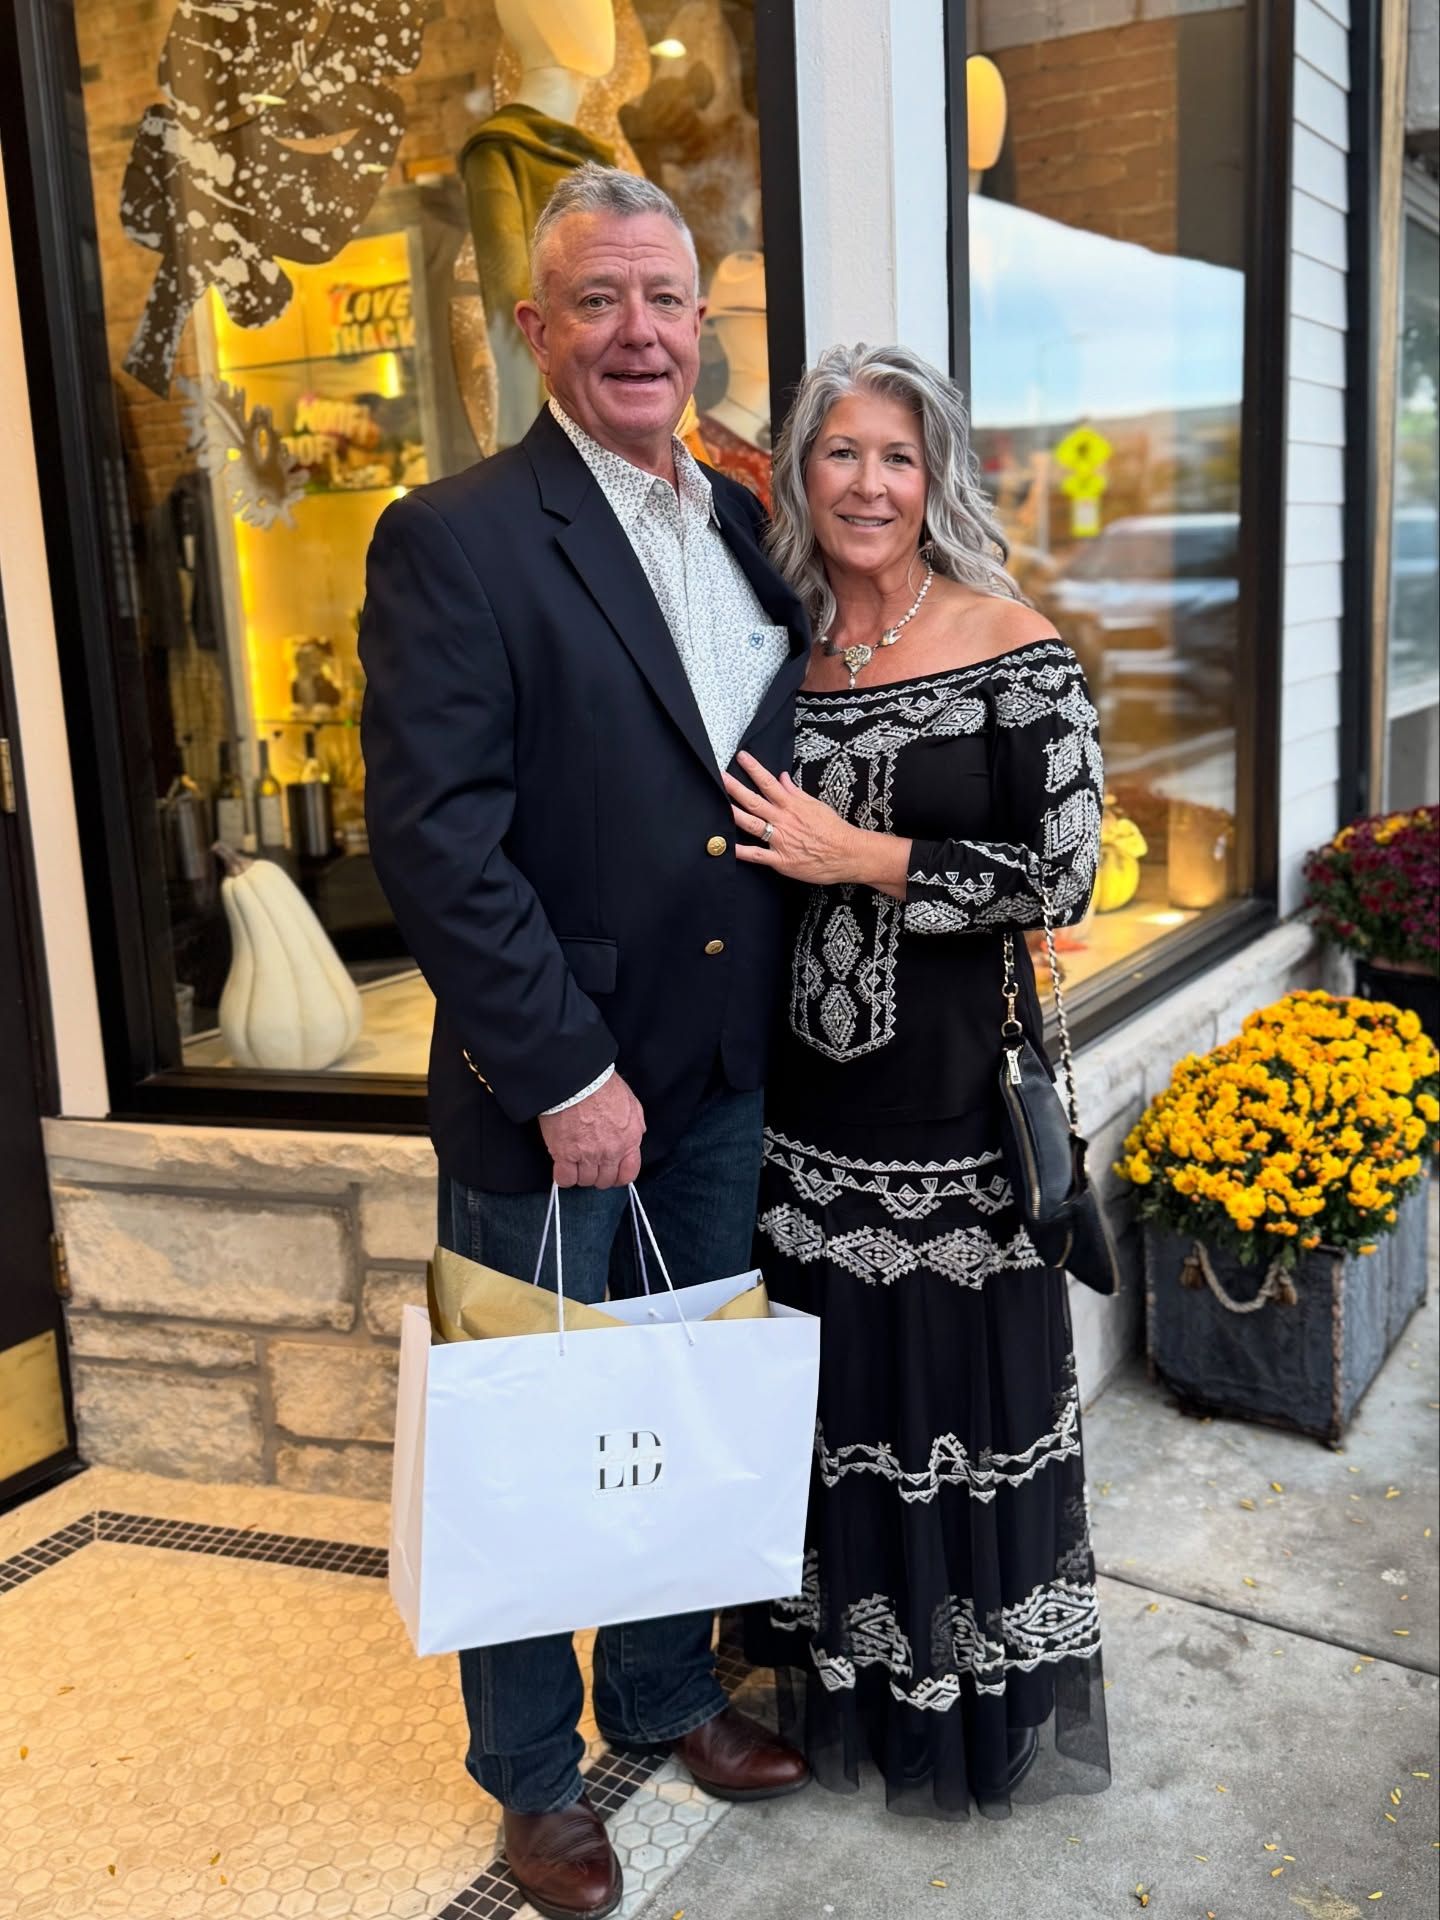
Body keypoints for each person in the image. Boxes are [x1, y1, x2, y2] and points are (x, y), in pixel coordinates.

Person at [358, 164, 812, 1920]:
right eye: (600, 302)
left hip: (719, 1074)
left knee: (672, 1403)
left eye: (667, 300)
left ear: (703, 325)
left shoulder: (746, 522)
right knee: (531, 1434)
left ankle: (666, 1694)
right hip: (555, 1087)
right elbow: (439, 843)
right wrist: (562, 1072)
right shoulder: (456, 533)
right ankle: (535, 1783)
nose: (640, 332)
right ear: (537, 329)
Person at [726, 343, 1113, 1820]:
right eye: (841, 454)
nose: (869, 484)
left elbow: (1064, 868)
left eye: (897, 456)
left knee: (956, 1420)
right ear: (799, 477)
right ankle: (842, 1696)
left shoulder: (1015, 644)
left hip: (959, 1118)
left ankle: (962, 1729)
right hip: (804, 1122)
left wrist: (871, 858)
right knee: (834, 1424)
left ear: (936, 476)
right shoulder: (784, 659)